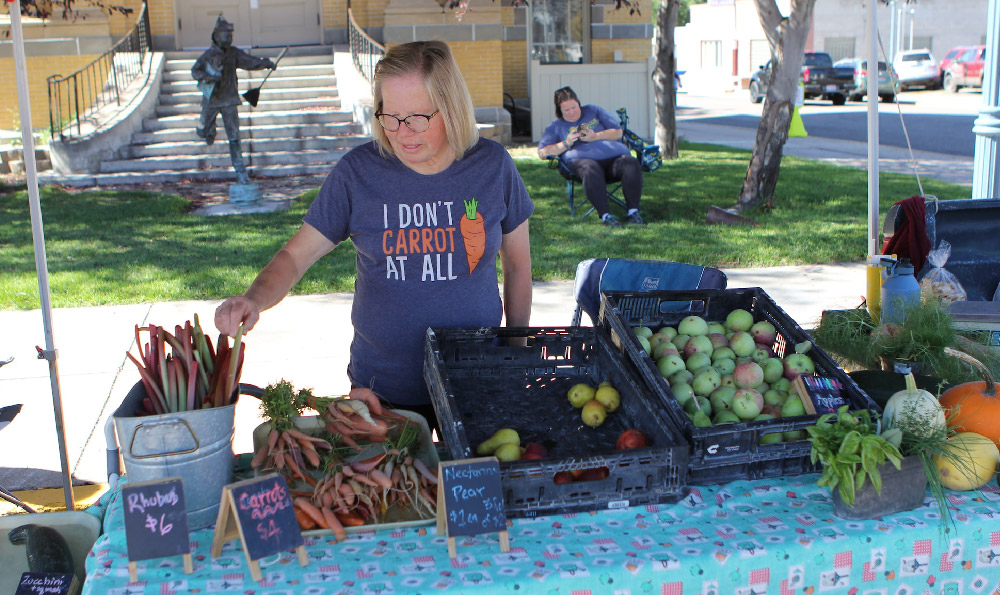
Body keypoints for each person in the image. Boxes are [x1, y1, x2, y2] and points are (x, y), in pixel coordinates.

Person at [214, 40, 534, 430]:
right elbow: (295, 258)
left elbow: (517, 267)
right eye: (389, 116)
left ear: (451, 107)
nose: (402, 132)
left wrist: (516, 355)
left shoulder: (493, 166)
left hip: (476, 379)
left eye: (418, 117)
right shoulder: (358, 174)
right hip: (382, 391)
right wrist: (253, 299)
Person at [537, 87, 645, 227]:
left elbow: (618, 132)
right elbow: (542, 153)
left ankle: (633, 212)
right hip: (582, 164)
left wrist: (595, 136)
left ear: (579, 103)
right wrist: (566, 143)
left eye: (574, 107)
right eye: (566, 110)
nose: (572, 112)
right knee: (590, 167)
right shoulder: (556, 127)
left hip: (613, 161)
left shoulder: (593, 111)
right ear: (559, 110)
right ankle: (606, 216)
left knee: (630, 162)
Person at [191, 16, 275, 185]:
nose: (229, 37)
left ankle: (240, 172)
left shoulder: (234, 53)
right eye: (225, 34)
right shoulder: (208, 55)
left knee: (234, 138)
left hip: (229, 100)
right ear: (216, 36)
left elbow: (249, 62)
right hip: (211, 100)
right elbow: (195, 71)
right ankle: (209, 129)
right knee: (201, 131)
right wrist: (208, 77)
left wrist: (265, 63)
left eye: (231, 34)